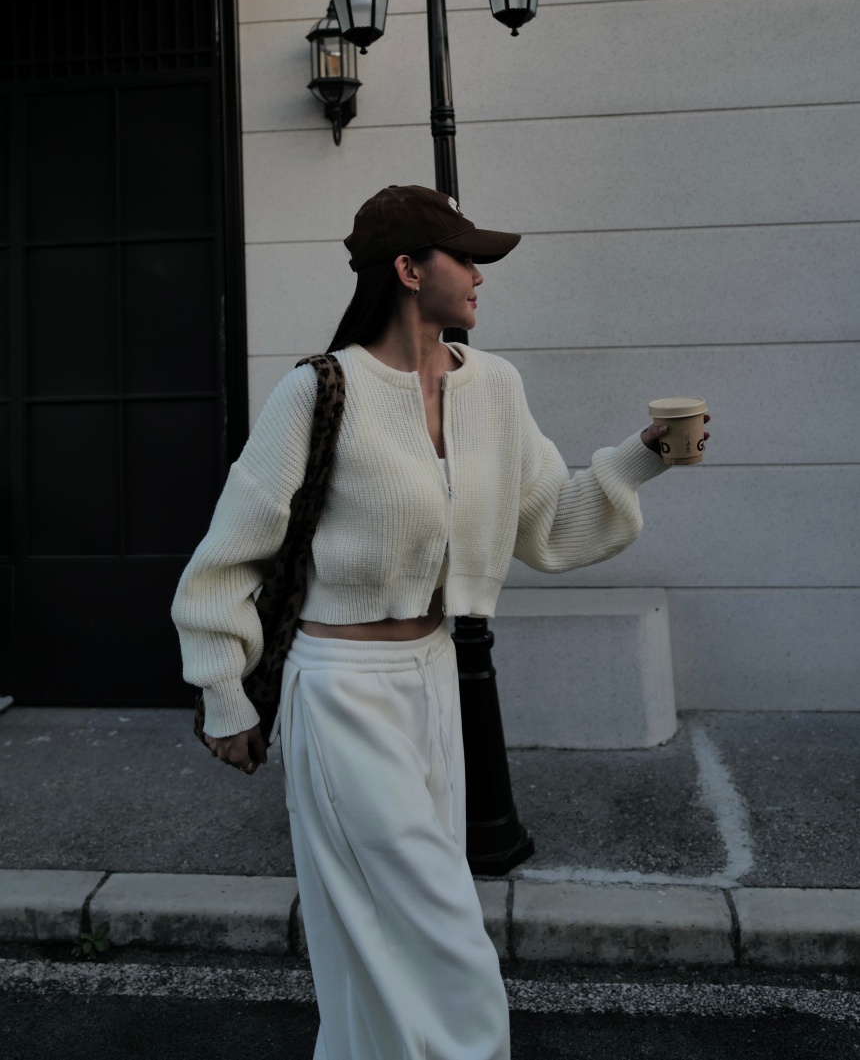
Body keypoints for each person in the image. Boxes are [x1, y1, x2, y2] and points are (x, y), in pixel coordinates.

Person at [172, 184, 708, 1060]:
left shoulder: (494, 387)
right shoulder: (317, 391)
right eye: (467, 258)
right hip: (340, 692)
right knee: (445, 932)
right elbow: (225, 559)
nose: (480, 276)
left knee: (381, 937)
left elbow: (548, 521)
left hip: (431, 679)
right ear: (409, 269)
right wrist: (224, 693)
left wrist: (640, 458)